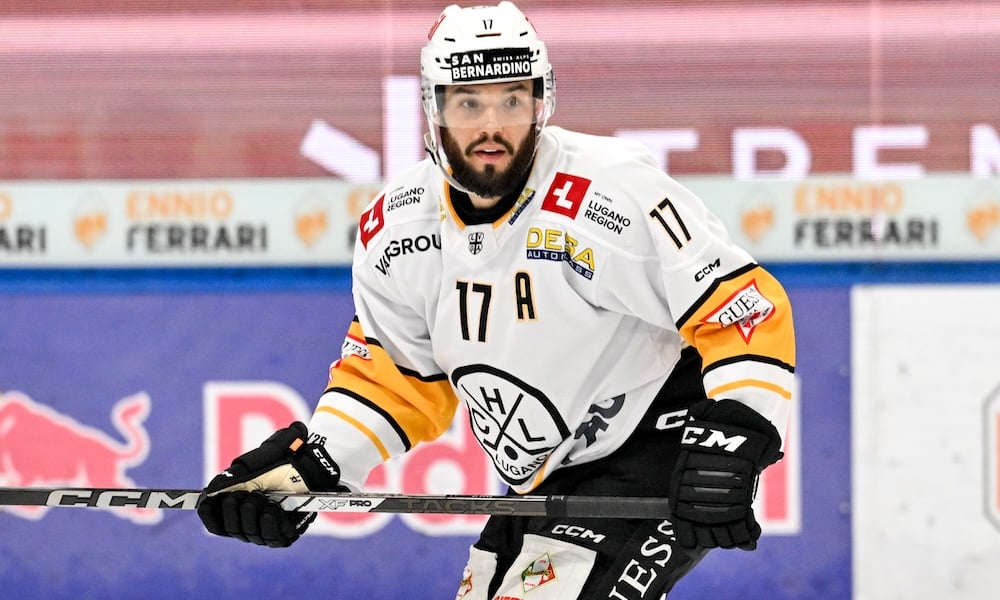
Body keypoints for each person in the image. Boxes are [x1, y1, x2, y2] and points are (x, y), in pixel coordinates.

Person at [197, 2, 796, 598]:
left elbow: (744, 308)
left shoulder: (612, 197)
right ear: (434, 111)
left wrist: (737, 435)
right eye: (469, 104)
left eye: (511, 101)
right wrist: (316, 464)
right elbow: (397, 380)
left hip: (656, 444)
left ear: (541, 104)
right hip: (545, 474)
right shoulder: (396, 228)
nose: (492, 127)